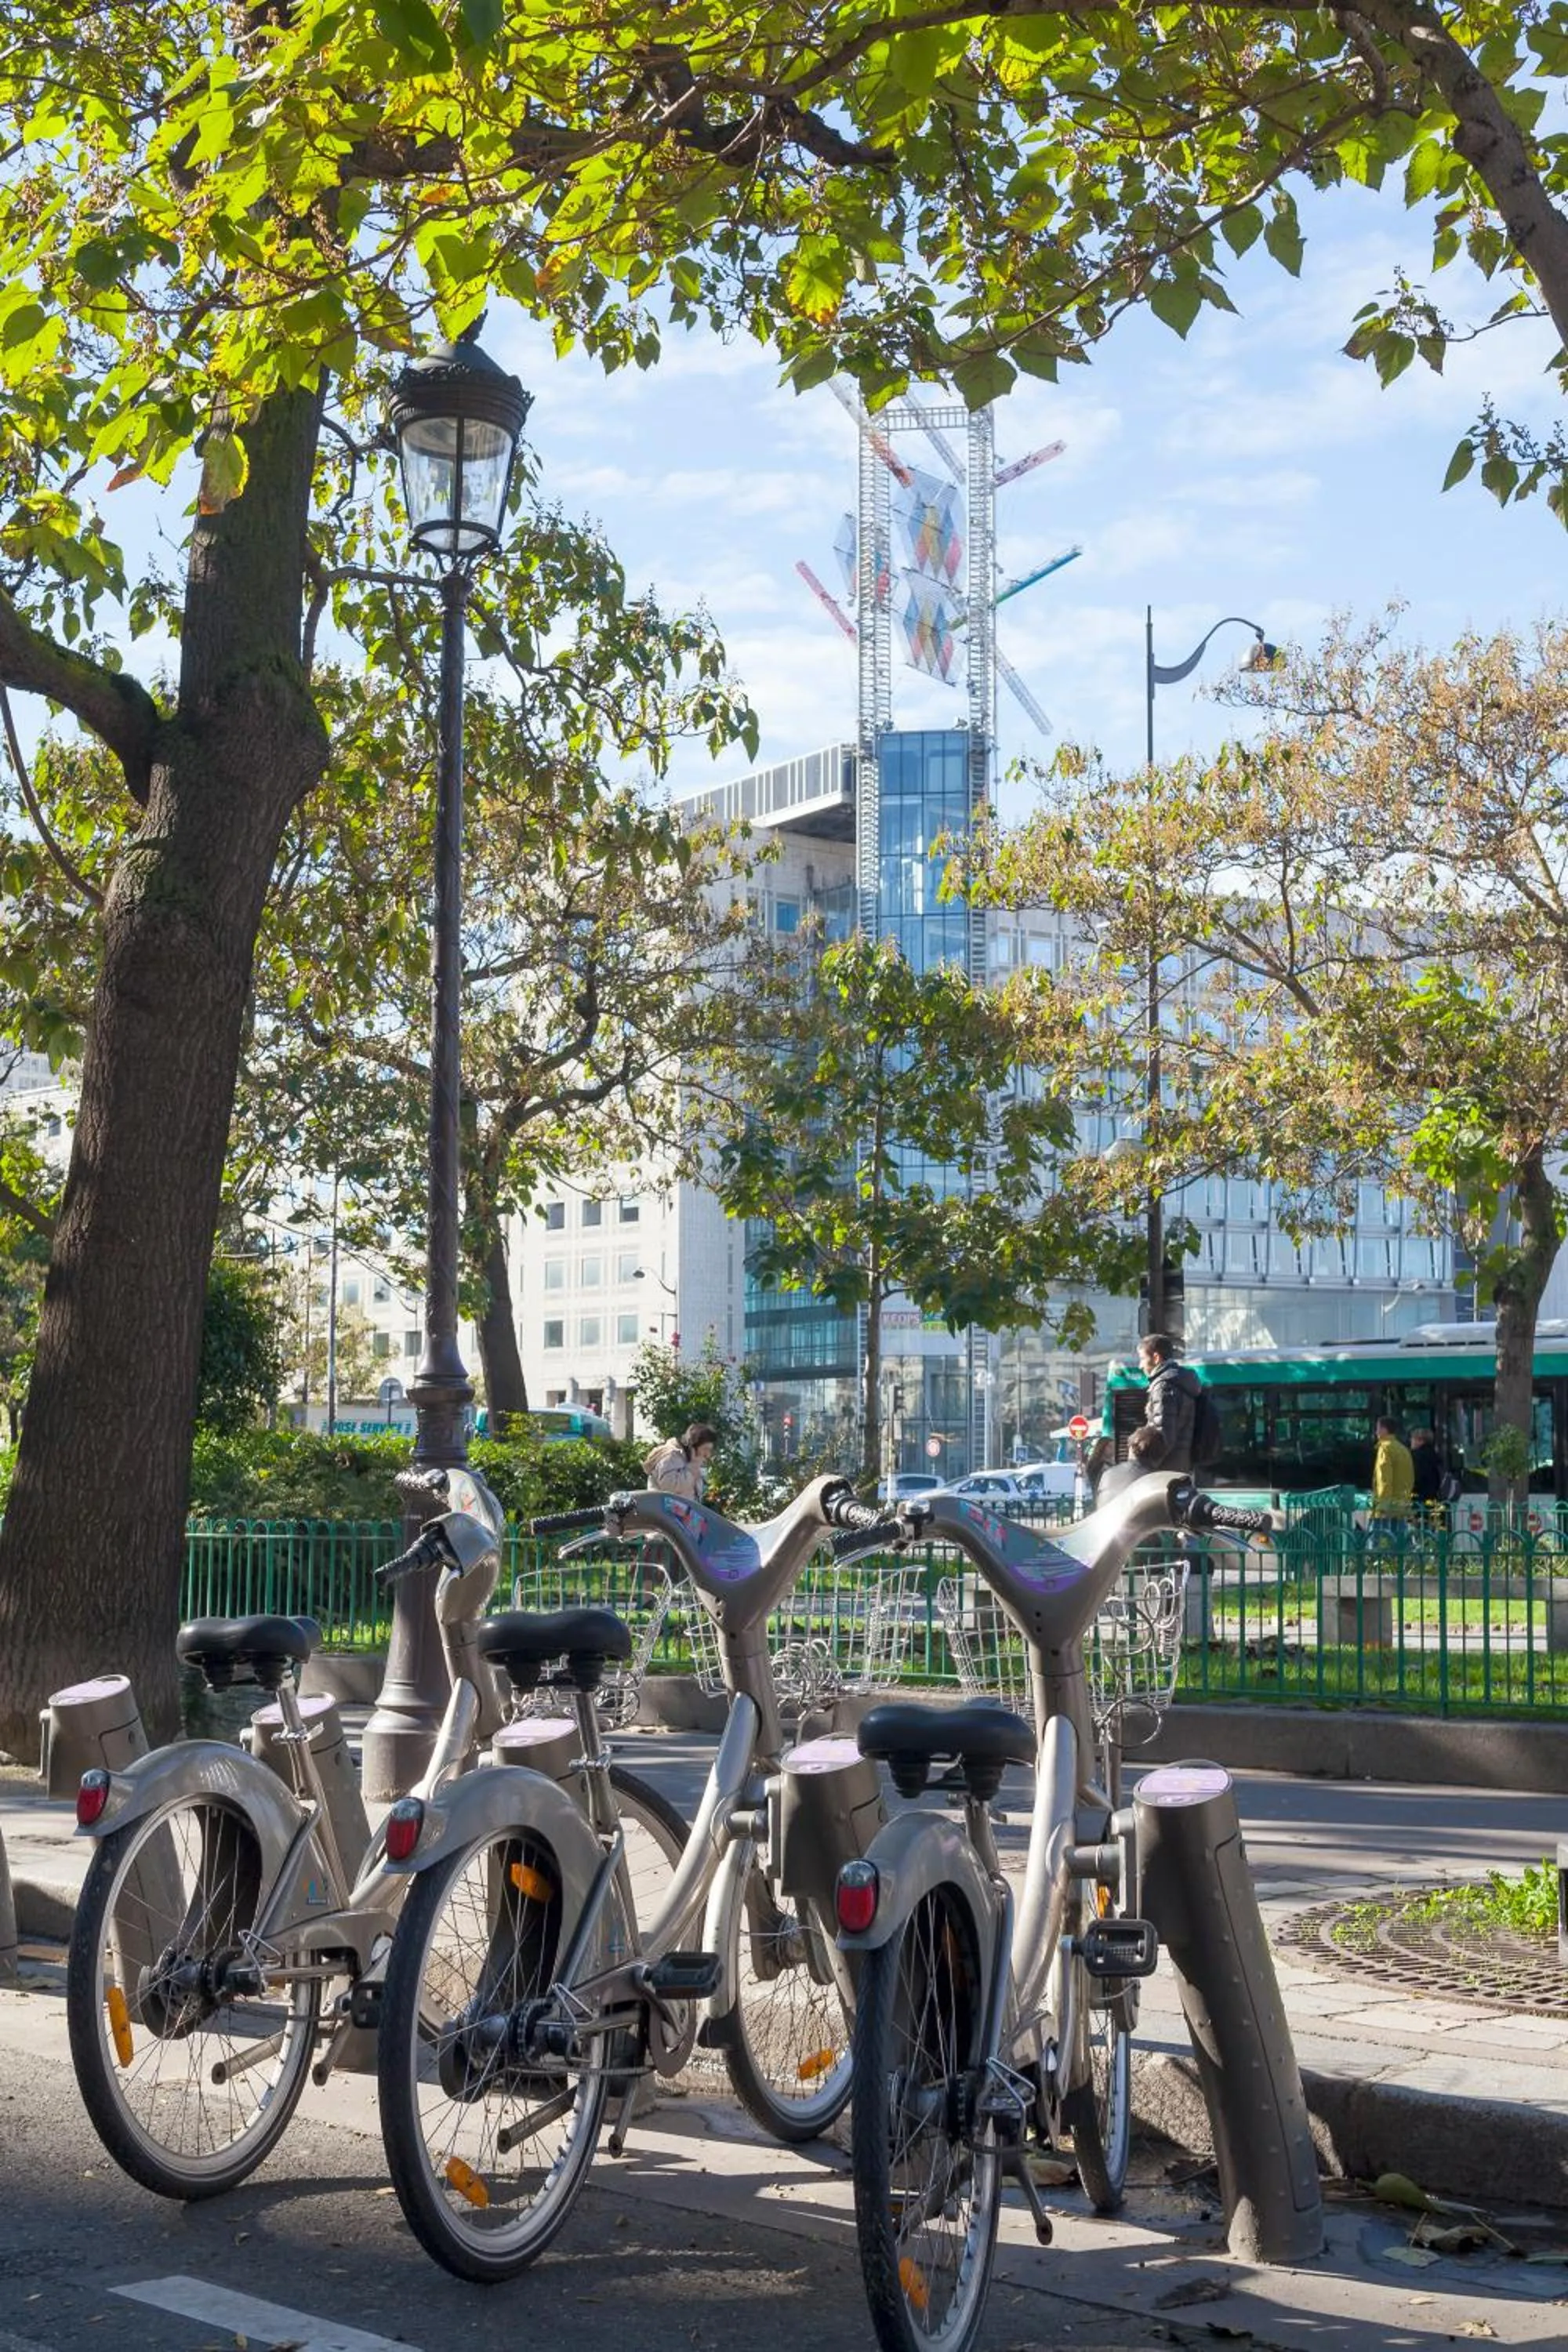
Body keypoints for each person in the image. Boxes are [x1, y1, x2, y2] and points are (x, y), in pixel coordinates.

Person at [1131, 1332, 1201, 1474]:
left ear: (1156, 1358)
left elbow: (1162, 1436)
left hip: (1165, 1472)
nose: (1140, 1366)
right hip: (1180, 1465)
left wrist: (1143, 1469)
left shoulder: (1163, 1386)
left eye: (1142, 1359)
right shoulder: (1180, 1381)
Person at [643, 1421, 718, 1502]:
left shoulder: (691, 1463)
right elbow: (669, 1486)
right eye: (705, 1449)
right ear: (692, 1447)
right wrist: (692, 1469)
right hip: (661, 1508)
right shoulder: (671, 1456)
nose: (707, 1455)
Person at [1370, 1416, 1414, 1540]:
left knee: (1380, 1544)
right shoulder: (1403, 1449)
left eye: (1378, 1429)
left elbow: (1384, 1480)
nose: (1376, 1432)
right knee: (1400, 1544)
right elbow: (1410, 1478)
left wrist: (1382, 1507)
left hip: (1387, 1508)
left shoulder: (1385, 1449)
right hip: (1401, 1506)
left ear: (1384, 1430)